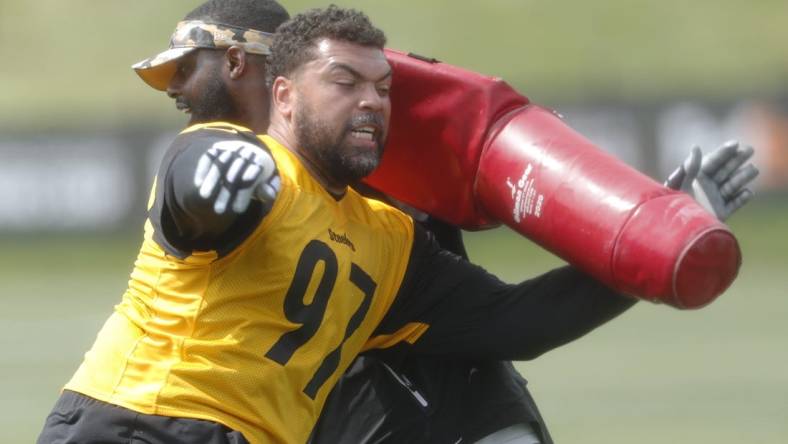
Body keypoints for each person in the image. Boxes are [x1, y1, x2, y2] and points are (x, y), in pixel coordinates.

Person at [36, 3, 758, 444]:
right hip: (133, 424)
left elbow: (517, 323)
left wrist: (645, 250)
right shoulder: (228, 153)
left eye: (383, 88)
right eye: (345, 84)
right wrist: (221, 189)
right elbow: (194, 196)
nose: (374, 103)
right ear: (283, 95)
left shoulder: (389, 239)